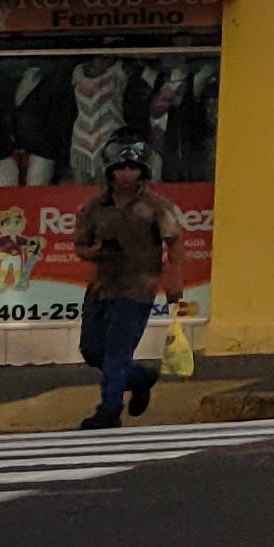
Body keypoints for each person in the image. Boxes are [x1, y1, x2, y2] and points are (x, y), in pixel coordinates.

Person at [68, 145, 186, 429]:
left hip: (137, 288)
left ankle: (109, 409)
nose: (126, 174)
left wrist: (175, 278)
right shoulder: (95, 208)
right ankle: (140, 378)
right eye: (120, 168)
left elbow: (175, 241)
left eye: (132, 168)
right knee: (92, 350)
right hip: (101, 286)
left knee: (117, 352)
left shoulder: (156, 207)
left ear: (142, 171)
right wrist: (91, 252)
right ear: (110, 171)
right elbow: (80, 244)